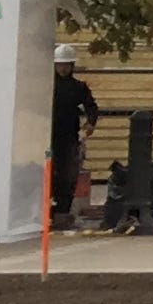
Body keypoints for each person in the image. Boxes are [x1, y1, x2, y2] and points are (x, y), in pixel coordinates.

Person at [47, 45, 100, 229]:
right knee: (47, 175)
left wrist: (91, 122)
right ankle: (46, 212)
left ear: (72, 66)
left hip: (68, 138)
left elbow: (91, 106)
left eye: (66, 65)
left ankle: (62, 213)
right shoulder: (46, 86)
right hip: (46, 137)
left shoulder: (78, 87)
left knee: (67, 176)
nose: (63, 69)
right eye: (60, 65)